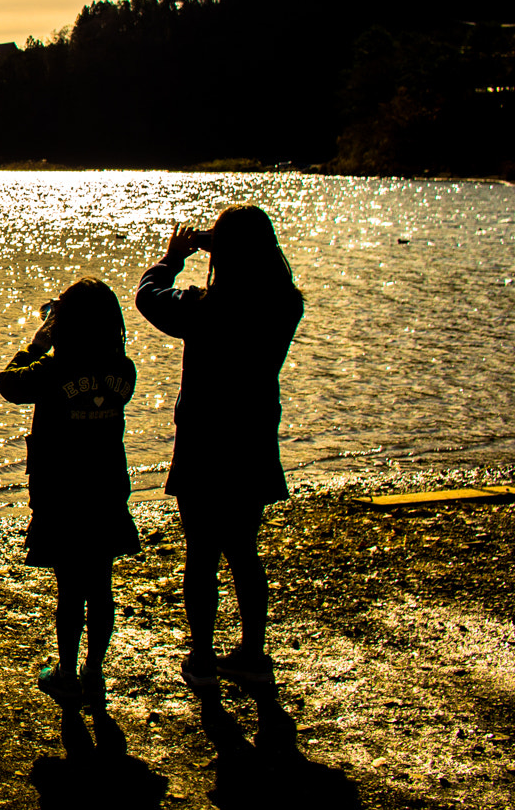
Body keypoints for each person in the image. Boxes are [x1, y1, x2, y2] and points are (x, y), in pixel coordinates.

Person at [135, 205, 304, 689]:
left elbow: (150, 297)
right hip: (252, 435)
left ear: (225, 255)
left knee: (202, 552)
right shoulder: (285, 304)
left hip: (206, 439)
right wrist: (217, 244)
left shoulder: (207, 308)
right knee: (244, 551)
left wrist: (172, 258)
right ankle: (253, 653)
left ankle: (203, 656)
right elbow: (257, 266)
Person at [0, 277, 139, 704]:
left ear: (65, 327)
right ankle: (94, 668)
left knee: (70, 591)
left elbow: (8, 383)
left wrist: (39, 342)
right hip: (107, 490)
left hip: (62, 494)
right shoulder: (122, 370)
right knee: (100, 586)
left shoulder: (54, 370)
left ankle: (66, 668)